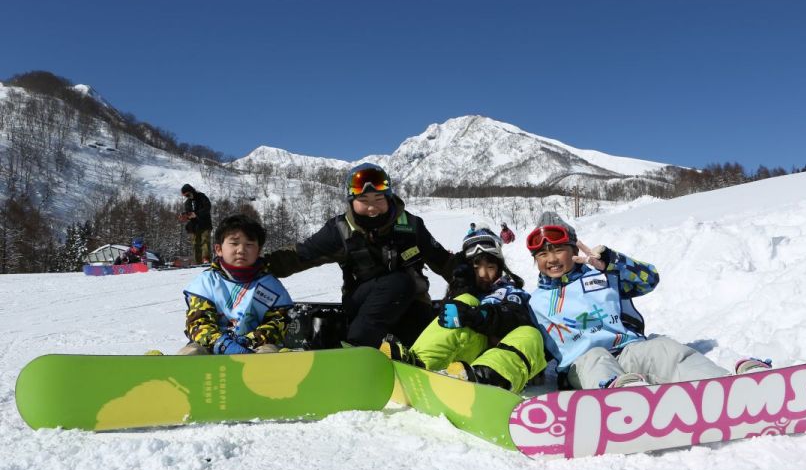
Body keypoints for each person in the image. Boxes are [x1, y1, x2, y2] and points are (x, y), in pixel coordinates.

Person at [526, 212, 770, 389]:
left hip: (628, 350)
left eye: (558, 250)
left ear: (574, 250)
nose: (552, 259)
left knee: (664, 349)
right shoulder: (536, 302)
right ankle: (622, 398)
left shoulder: (604, 276)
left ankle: (725, 386)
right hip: (581, 366)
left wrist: (612, 262)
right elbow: (531, 341)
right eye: (543, 254)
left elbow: (650, 279)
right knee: (595, 359)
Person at [265, 163, 458, 348]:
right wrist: (256, 265)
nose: (372, 208)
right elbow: (301, 255)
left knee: (417, 339)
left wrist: (473, 276)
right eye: (364, 201)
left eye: (378, 199)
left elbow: (443, 261)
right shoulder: (339, 231)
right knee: (399, 281)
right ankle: (356, 345)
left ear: (389, 198)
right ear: (351, 201)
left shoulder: (411, 226)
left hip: (412, 304)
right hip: (361, 304)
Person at [382, 228, 546, 393]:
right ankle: (416, 364)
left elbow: (516, 318)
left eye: (490, 266)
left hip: (500, 359)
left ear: (499, 267)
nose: (483, 274)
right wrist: (460, 290)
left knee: (531, 333)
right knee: (462, 303)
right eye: (476, 267)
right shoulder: (465, 293)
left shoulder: (509, 291)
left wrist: (477, 315)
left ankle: (486, 379)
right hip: (462, 363)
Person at [178, 214, 293, 355]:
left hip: (255, 347)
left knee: (269, 353)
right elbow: (198, 322)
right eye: (234, 243)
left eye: (249, 244)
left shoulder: (270, 285)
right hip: (210, 347)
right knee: (191, 352)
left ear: (259, 251)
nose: (241, 250)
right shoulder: (206, 282)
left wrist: (250, 341)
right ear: (219, 249)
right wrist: (221, 343)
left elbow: (278, 322)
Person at [179, 183, 213, 265]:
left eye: (187, 194)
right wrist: (185, 216)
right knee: (195, 244)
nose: (187, 197)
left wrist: (196, 214)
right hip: (194, 226)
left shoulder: (202, 197)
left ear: (191, 191)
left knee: (205, 241)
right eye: (185, 196)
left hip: (205, 224)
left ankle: (206, 260)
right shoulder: (187, 203)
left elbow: (207, 207)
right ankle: (197, 262)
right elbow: (188, 212)